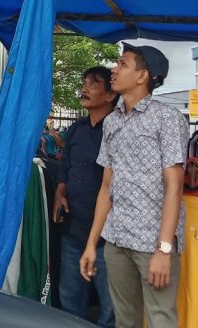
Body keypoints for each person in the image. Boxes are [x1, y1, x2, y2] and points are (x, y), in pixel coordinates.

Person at [79, 43, 188, 328]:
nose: (114, 70)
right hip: (116, 241)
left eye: (122, 64)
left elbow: (174, 187)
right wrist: (92, 244)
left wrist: (164, 249)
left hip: (153, 243)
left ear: (142, 76)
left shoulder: (168, 119)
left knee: (160, 320)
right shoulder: (112, 122)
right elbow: (106, 187)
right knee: (124, 321)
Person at [53, 67, 118, 327]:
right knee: (69, 300)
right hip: (73, 228)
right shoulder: (76, 129)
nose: (86, 87)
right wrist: (60, 193)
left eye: (94, 83)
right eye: (85, 82)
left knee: (110, 306)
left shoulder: (117, 130)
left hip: (107, 234)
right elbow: (64, 167)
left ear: (110, 94)